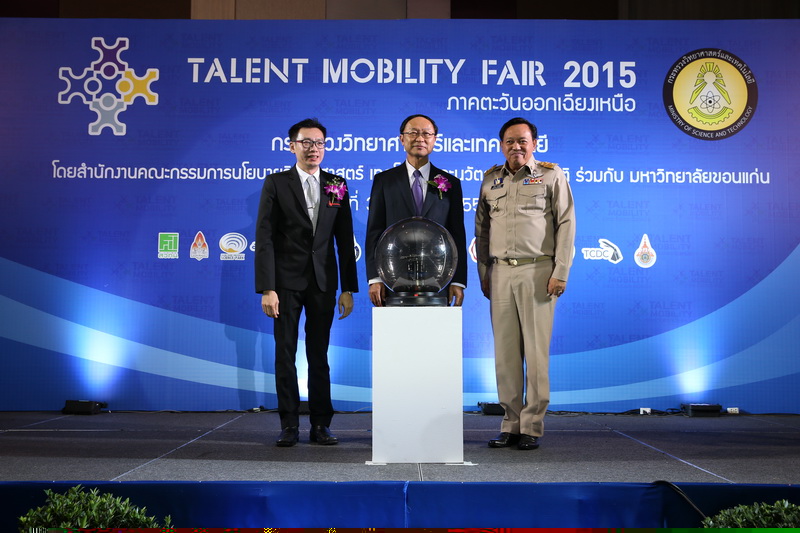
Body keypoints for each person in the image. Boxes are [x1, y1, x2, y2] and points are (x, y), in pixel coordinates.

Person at [254, 118, 358, 447]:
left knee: (319, 354)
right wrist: (268, 288)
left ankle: (320, 424)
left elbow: (345, 239)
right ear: (292, 146)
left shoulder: (336, 184)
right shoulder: (276, 183)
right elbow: (265, 237)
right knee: (285, 353)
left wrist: (348, 288)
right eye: (307, 142)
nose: (314, 149)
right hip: (284, 283)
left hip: (323, 282)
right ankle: (288, 424)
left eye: (319, 143)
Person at [474, 117, 576, 450]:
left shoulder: (551, 175)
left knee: (535, 353)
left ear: (534, 143)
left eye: (522, 141)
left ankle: (531, 425)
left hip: (538, 272)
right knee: (505, 355)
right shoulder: (490, 180)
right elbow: (481, 232)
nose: (516, 146)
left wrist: (561, 271)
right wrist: (485, 273)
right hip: (500, 273)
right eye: (509, 141)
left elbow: (566, 224)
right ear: (501, 145)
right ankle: (511, 423)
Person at [365, 114, 467, 306]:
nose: (420, 138)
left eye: (426, 134)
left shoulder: (451, 183)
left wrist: (457, 280)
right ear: (402, 139)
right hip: (393, 278)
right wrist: (376, 278)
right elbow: (374, 231)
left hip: (438, 278)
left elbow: (457, 235)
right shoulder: (384, 181)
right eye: (413, 133)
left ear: (434, 139)